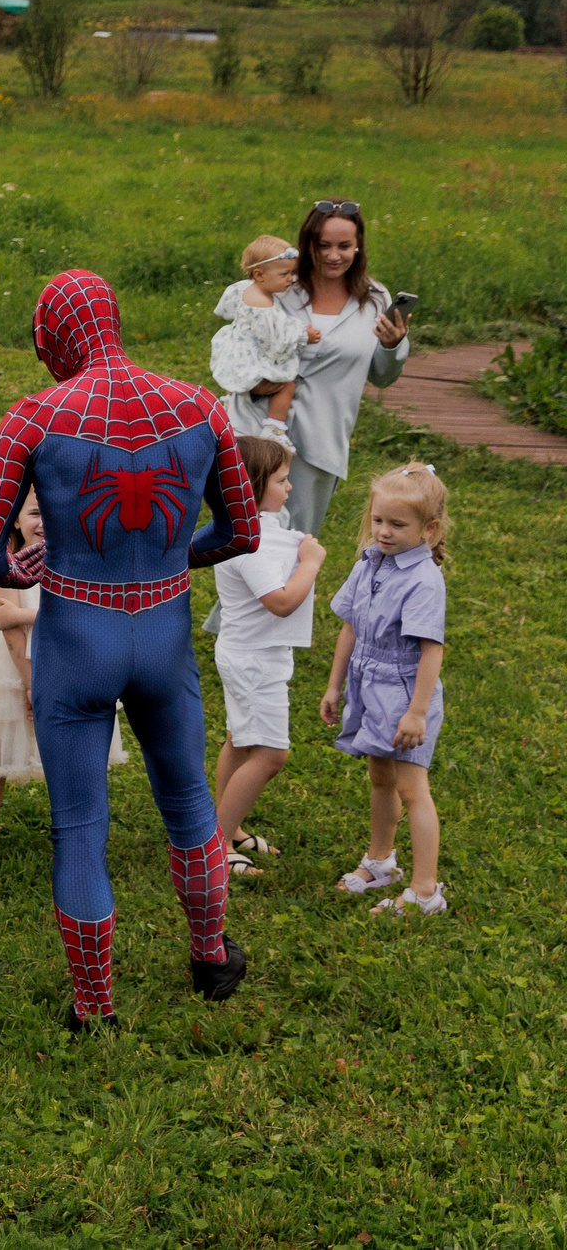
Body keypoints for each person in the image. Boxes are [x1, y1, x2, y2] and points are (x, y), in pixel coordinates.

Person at [0, 269, 260, 1031]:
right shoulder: (198, 405)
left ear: (54, 336)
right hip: (162, 629)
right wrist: (173, 560)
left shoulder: (30, 419)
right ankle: (210, 955)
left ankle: (93, 1005)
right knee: (189, 798)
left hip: (75, 633)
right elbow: (243, 532)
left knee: (80, 826)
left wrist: (18, 567)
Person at [0, 492, 131, 864]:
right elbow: (7, 627)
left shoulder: (83, 562)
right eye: (35, 512)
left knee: (79, 751)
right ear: (15, 521)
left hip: (76, 665)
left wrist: (25, 616)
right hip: (17, 668)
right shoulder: (9, 565)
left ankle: (79, 830)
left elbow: (92, 614)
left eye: (55, 511)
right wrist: (31, 683)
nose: (45, 522)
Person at [322, 463, 451, 917]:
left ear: (430, 529)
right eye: (379, 520)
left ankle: (425, 891)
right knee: (380, 776)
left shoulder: (423, 580)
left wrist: (415, 712)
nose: (384, 531)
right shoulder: (370, 564)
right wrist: (335, 686)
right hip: (367, 683)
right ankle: (380, 862)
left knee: (413, 788)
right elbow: (350, 626)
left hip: (402, 692)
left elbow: (431, 651)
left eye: (398, 524)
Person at [211, 437, 326, 877]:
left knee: (241, 741)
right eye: (281, 480)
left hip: (253, 653)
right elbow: (279, 602)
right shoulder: (251, 542)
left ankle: (229, 827)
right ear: (254, 484)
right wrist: (310, 563)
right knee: (271, 754)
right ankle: (215, 847)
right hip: (254, 660)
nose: (291, 487)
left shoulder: (257, 531)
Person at [278, 200, 409, 537]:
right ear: (308, 245)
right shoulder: (281, 289)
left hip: (321, 436)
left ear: (358, 245)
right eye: (323, 245)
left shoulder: (375, 299)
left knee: (297, 540)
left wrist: (392, 345)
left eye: (343, 246)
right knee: (249, 541)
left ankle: (295, 593)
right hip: (262, 428)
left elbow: (382, 376)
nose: (333, 255)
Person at [209, 236, 312, 443]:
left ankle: (230, 400)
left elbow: (227, 308)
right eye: (284, 274)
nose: (290, 279)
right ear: (259, 274)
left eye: (292, 273)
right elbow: (275, 341)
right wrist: (304, 334)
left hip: (237, 350)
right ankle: (275, 426)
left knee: (238, 373)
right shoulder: (263, 305)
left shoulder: (244, 288)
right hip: (255, 356)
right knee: (287, 385)